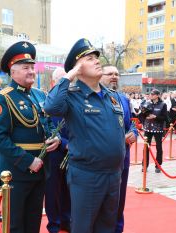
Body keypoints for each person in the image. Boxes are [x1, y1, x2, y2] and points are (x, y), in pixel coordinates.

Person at [44, 38, 126, 233]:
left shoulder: (111, 96)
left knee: (106, 227)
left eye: (96, 57)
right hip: (88, 175)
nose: (97, 61)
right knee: (83, 227)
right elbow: (51, 107)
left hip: (114, 174)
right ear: (78, 68)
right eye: (89, 59)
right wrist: (69, 75)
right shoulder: (72, 95)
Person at [0, 41, 60, 233]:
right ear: (13, 72)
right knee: (15, 225)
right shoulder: (3, 98)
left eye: (32, 67)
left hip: (40, 170)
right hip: (16, 173)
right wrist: (28, 161)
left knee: (33, 223)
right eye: (25, 68)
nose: (31, 71)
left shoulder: (38, 94)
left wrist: (57, 138)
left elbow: (48, 123)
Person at [100, 64, 137, 233]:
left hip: (123, 157)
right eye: (109, 74)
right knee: (102, 202)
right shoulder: (95, 98)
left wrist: (134, 133)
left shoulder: (123, 99)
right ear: (100, 76)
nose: (114, 77)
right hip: (101, 160)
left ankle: (117, 229)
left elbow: (131, 124)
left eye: (116, 74)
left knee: (119, 199)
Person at [45, 67, 71, 233]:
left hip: (72, 150)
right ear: (54, 82)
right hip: (53, 152)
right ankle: (53, 224)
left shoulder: (74, 100)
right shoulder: (47, 101)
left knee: (69, 188)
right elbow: (46, 127)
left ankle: (66, 220)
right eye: (61, 80)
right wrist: (62, 142)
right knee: (52, 190)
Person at [139, 89, 167, 173]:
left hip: (158, 129)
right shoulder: (147, 103)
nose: (151, 95)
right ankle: (144, 165)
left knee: (159, 147)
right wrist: (145, 118)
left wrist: (155, 117)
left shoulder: (163, 104)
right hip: (148, 128)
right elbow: (141, 115)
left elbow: (165, 118)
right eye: (150, 94)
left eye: (153, 94)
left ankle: (158, 165)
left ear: (157, 95)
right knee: (146, 147)